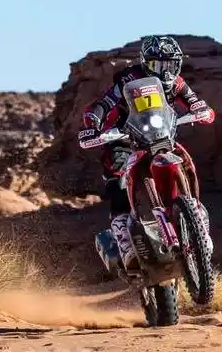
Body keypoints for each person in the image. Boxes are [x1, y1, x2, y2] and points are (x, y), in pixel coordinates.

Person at [78, 35, 215, 270]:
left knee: (186, 163)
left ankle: (197, 226)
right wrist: (93, 125)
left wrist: (201, 110)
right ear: (145, 63)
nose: (165, 71)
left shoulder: (178, 83)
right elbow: (104, 104)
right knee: (117, 180)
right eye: (158, 65)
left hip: (160, 137)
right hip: (125, 138)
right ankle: (125, 243)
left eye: (170, 64)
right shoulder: (130, 79)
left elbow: (195, 102)